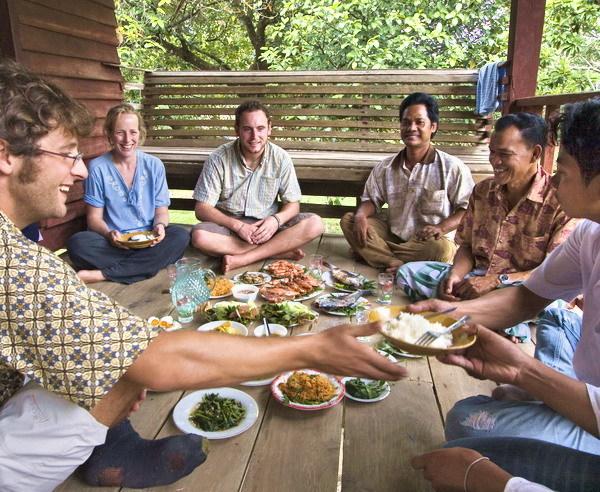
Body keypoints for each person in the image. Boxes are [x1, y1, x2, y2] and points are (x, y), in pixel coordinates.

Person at [0, 60, 406, 492]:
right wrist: (312, 348)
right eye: (67, 154)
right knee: (124, 365)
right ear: (6, 155)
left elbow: (291, 207)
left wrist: (267, 226)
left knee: (108, 351)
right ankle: (108, 449)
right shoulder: (15, 263)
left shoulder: (19, 248)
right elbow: (155, 359)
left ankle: (105, 446)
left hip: (256, 233)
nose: (80, 170)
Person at [410, 98, 600, 491]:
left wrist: (526, 372)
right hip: (585, 382)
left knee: (467, 422)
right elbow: (525, 298)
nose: (556, 181)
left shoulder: (566, 215)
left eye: (562, 172)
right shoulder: (590, 235)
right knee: (555, 320)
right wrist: (451, 313)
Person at [396, 113, 578, 340]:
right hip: (475, 279)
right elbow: (466, 247)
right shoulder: (483, 192)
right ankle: (492, 320)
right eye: (492, 152)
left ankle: (491, 316)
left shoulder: (560, 201)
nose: (495, 161)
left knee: (554, 308)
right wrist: (455, 275)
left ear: (536, 153)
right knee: (407, 273)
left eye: (504, 154)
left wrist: (494, 282)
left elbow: (552, 274)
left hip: (526, 290)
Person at [340, 92, 474, 270]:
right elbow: (371, 200)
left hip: (430, 241)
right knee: (350, 221)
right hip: (393, 235)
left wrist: (441, 228)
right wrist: (361, 215)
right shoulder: (386, 167)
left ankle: (378, 255)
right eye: (406, 122)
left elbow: (467, 210)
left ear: (433, 127)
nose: (411, 127)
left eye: (419, 122)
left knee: (441, 249)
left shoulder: (452, 167)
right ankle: (396, 263)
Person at [191, 100, 324, 272]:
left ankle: (244, 258)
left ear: (269, 128)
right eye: (247, 129)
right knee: (199, 237)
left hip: (268, 226)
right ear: (237, 130)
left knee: (316, 224)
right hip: (229, 227)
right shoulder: (218, 158)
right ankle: (277, 250)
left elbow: (293, 204)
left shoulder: (281, 158)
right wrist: (238, 226)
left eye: (260, 128)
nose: (255, 137)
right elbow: (202, 209)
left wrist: (276, 221)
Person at [66, 103, 190, 284]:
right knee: (78, 243)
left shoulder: (154, 165)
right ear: (109, 134)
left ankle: (103, 274)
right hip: (113, 243)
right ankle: (147, 265)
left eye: (133, 132)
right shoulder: (97, 168)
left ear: (140, 134)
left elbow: (161, 212)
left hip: (149, 241)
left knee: (180, 236)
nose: (127, 139)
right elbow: (94, 220)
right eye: (120, 132)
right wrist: (109, 234)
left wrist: (161, 226)